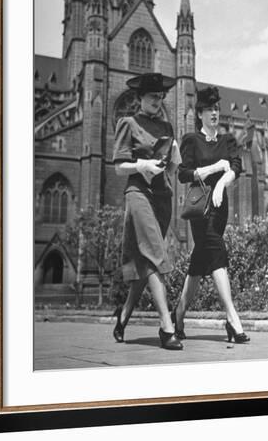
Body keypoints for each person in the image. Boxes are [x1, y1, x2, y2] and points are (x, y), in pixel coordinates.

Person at [173, 86, 250, 344]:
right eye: (210, 109)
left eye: (217, 109)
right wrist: (213, 169)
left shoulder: (227, 140)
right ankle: (232, 318)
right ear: (200, 114)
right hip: (200, 208)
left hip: (220, 206)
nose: (215, 113)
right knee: (217, 251)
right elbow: (183, 173)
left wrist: (221, 182)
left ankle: (179, 313)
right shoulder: (191, 140)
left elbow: (237, 166)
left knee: (199, 261)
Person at [112, 72, 183, 350]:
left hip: (162, 197)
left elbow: (174, 165)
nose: (158, 100)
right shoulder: (127, 123)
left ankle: (123, 316)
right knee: (155, 253)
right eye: (153, 96)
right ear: (140, 98)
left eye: (160, 96)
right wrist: (142, 166)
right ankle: (167, 326)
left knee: (145, 266)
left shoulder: (167, 125)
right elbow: (119, 167)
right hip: (138, 193)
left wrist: (173, 160)